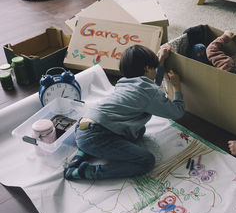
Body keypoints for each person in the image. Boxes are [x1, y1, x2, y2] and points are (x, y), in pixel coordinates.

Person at [64, 44, 185, 180]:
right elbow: (177, 112)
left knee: (139, 131)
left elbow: (152, 85)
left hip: (83, 127)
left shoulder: (125, 82)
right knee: (146, 161)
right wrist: (177, 87)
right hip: (96, 136)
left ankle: (83, 152)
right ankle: (86, 172)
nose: (156, 72)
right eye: (154, 68)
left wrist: (161, 60)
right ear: (146, 68)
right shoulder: (148, 91)